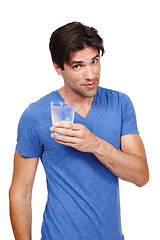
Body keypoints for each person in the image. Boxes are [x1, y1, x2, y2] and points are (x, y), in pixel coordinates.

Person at [9, 22, 149, 240]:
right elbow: (21, 193)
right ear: (58, 68)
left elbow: (141, 176)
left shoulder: (120, 104)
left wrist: (95, 144)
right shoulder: (35, 115)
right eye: (77, 66)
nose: (90, 74)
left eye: (94, 61)